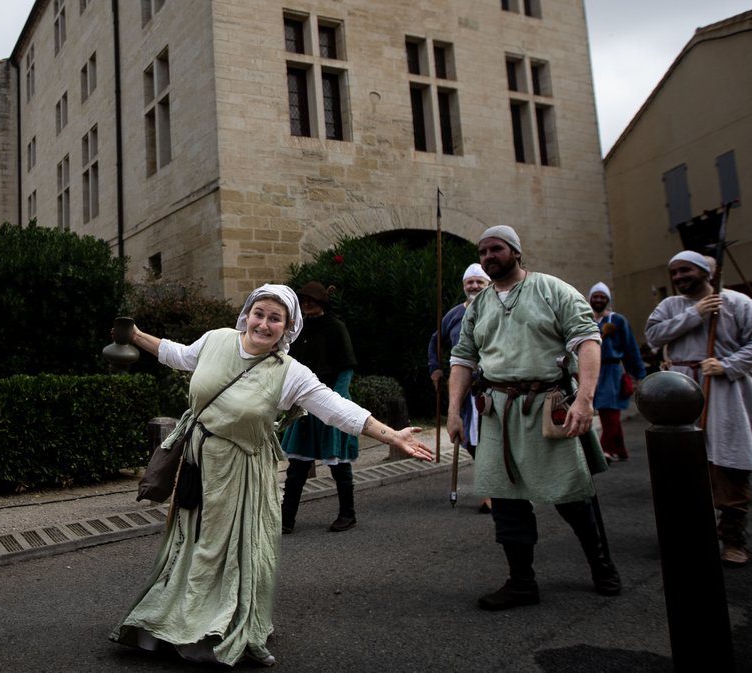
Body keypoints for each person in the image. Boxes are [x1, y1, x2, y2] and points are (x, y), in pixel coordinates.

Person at [110, 284, 434, 666]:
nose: (263, 324)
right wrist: (134, 336)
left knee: (221, 549)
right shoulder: (217, 340)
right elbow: (177, 354)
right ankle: (165, 620)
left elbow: (336, 408)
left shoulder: (290, 373)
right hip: (198, 461)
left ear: (288, 328)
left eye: (275, 319)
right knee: (187, 541)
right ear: (246, 313)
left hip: (241, 471)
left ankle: (206, 628)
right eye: (259, 313)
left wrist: (391, 434)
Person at [447, 225, 619, 611]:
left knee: (572, 495)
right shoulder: (478, 305)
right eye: (484, 251)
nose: (489, 255)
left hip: (549, 405)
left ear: (516, 252)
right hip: (496, 411)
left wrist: (585, 400)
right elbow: (463, 359)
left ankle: (601, 565)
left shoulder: (552, 290)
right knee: (506, 502)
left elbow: (587, 341)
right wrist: (454, 411)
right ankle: (521, 582)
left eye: (497, 249)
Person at [645, 251, 752, 567]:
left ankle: (733, 538)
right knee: (683, 465)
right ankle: (690, 534)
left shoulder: (737, 303)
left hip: (725, 389)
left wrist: (728, 364)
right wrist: (696, 314)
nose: (678, 277)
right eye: (674, 272)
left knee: (728, 462)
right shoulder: (670, 306)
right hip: (680, 389)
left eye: (685, 270)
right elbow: (653, 336)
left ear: (705, 272)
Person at [280, 281, 361, 533]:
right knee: (297, 468)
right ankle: (286, 520)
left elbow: (346, 368)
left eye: (311, 301)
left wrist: (336, 402)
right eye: (303, 301)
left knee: (339, 465)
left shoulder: (336, 328)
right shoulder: (297, 331)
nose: (306, 305)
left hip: (331, 400)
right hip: (304, 403)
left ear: (322, 303)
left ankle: (348, 515)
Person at [428, 263, 493, 512]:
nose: (475, 286)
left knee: (496, 440)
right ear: (464, 286)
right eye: (470, 282)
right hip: (467, 389)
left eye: (480, 282)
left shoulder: (497, 310)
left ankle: (495, 493)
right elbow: (437, 340)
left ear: (488, 284)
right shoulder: (455, 314)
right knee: (473, 441)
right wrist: (435, 368)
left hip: (496, 387)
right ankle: (490, 491)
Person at [587, 282, 646, 462]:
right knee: (604, 409)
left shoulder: (617, 320)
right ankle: (620, 450)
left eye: (602, 297)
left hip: (611, 370)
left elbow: (630, 348)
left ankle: (605, 449)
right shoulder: (586, 320)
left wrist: (638, 373)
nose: (598, 300)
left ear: (607, 300)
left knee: (609, 409)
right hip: (591, 370)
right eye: (595, 296)